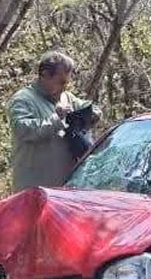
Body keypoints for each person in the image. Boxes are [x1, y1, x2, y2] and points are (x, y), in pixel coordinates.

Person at [8, 50, 95, 192]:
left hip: (64, 189)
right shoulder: (23, 100)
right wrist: (56, 119)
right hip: (34, 190)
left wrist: (92, 114)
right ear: (45, 75)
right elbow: (23, 130)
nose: (64, 87)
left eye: (67, 83)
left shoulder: (66, 97)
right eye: (61, 82)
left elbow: (88, 107)